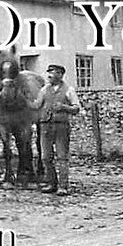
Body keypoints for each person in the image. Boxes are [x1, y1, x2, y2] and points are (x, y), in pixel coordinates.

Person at [33, 63, 83, 193]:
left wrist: (64, 107)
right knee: (45, 157)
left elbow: (76, 108)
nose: (49, 75)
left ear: (60, 75)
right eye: (48, 72)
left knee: (62, 157)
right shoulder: (44, 90)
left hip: (61, 127)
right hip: (45, 127)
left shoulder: (68, 90)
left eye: (53, 72)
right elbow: (37, 105)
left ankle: (63, 186)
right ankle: (51, 183)